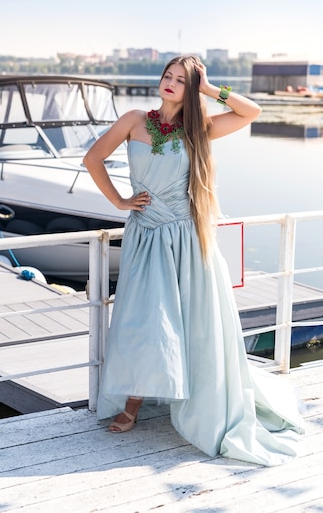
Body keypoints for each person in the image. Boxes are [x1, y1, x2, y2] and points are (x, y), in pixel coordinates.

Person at [83, 55, 304, 466]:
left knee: (192, 321)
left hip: (187, 238)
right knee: (144, 318)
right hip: (146, 235)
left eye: (181, 79)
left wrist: (209, 90)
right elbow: (92, 159)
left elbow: (251, 112)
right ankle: (131, 405)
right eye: (167, 75)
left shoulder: (198, 129)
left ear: (193, 87)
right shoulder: (133, 119)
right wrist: (120, 201)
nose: (169, 83)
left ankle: (186, 397)